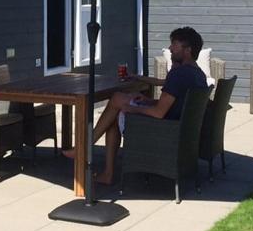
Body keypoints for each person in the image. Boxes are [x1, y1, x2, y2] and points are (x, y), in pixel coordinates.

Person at [86, 26, 209, 185]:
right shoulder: (198, 75)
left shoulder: (179, 75)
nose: (170, 48)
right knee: (118, 107)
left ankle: (86, 150)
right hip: (181, 132)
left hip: (162, 132)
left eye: (174, 44)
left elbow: (158, 113)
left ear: (188, 50)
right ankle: (99, 164)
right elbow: (175, 104)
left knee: (117, 100)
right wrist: (146, 101)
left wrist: (132, 108)